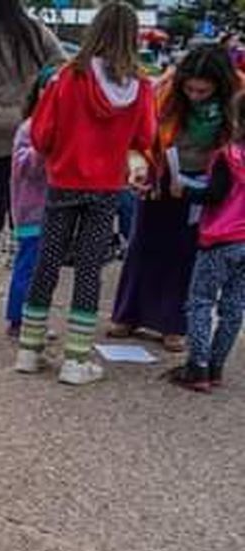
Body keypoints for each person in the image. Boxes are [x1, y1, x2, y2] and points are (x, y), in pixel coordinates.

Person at [16, 2, 156, 386]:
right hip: (106, 187)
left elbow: (42, 133)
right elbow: (145, 138)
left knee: (47, 262)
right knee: (90, 268)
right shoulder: (140, 86)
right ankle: (76, 359)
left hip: (63, 182)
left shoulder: (67, 78)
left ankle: (29, 348)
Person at [109, 46, 239, 351]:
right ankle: (129, 314)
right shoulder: (165, 93)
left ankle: (173, 324)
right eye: (189, 89)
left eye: (202, 91)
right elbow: (145, 135)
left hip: (208, 183)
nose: (194, 95)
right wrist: (144, 170)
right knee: (144, 244)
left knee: (186, 254)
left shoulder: (236, 99)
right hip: (163, 173)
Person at [0, 0, 65, 273]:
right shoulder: (37, 32)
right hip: (29, 122)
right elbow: (62, 66)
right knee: (26, 192)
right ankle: (21, 253)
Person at [169, 90, 245, 393]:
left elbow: (214, 195)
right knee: (234, 306)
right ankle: (217, 366)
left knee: (200, 301)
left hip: (220, 237)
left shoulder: (229, 156)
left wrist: (184, 190)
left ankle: (197, 366)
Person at [5, 73, 51, 337]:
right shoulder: (29, 128)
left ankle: (33, 317)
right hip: (31, 209)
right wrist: (43, 148)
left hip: (54, 209)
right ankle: (18, 318)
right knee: (29, 264)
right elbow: (24, 168)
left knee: (43, 268)